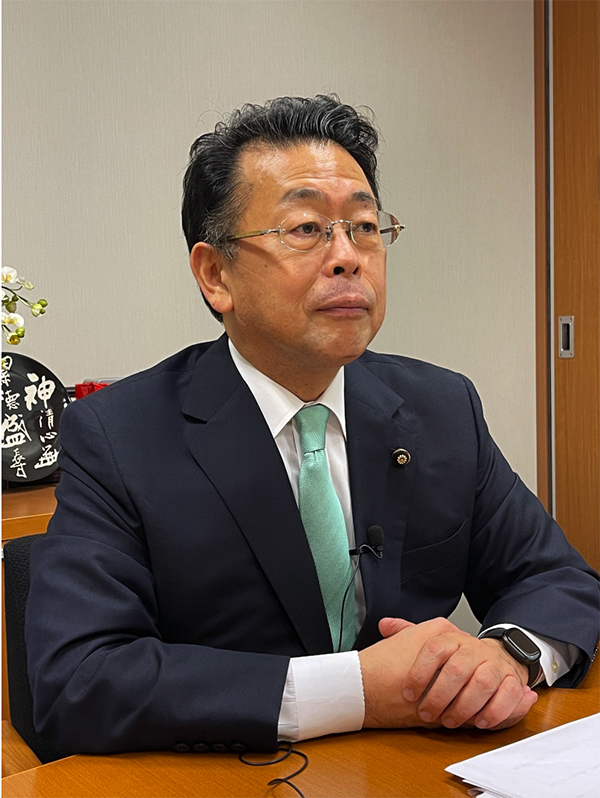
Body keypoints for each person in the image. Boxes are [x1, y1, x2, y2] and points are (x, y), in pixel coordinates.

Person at [26, 95, 599, 757]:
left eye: (365, 226)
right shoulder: (119, 434)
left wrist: (507, 656)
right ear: (215, 274)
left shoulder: (442, 407)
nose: (348, 256)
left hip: (414, 770)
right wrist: (357, 690)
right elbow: (78, 679)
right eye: (305, 228)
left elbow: (558, 581)